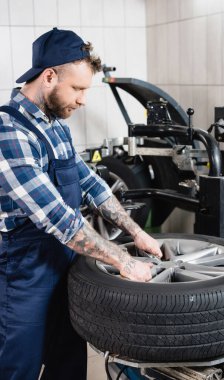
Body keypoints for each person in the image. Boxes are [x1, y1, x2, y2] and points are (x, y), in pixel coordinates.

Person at [0, 28, 162, 380]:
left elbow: (90, 184)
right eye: (78, 88)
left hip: (67, 267)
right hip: (25, 277)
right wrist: (123, 260)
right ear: (48, 77)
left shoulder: (56, 127)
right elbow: (59, 219)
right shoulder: (9, 132)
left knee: (69, 362)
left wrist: (137, 233)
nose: (83, 99)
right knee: (19, 366)